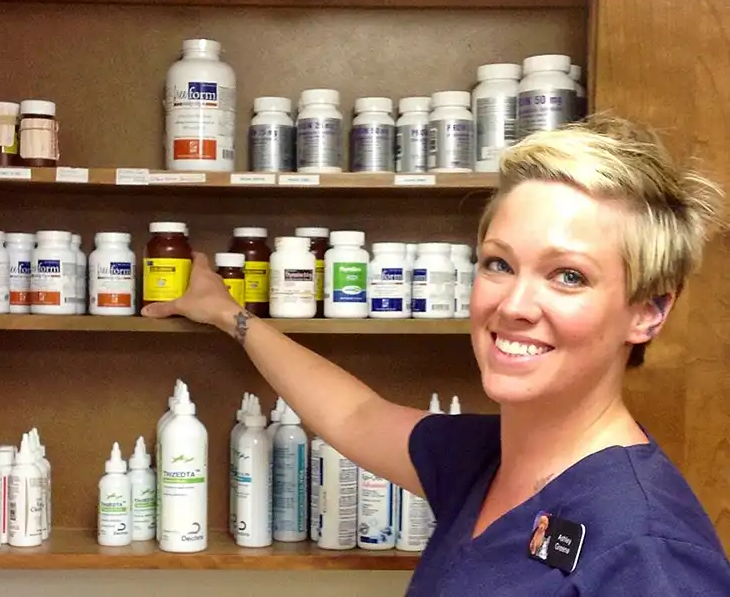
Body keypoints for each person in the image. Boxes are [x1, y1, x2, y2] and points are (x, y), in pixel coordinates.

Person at [142, 115, 730, 595]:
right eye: (499, 263)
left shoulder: (651, 556)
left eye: (568, 276)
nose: (515, 305)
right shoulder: (489, 461)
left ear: (648, 311)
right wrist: (229, 314)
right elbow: (355, 415)